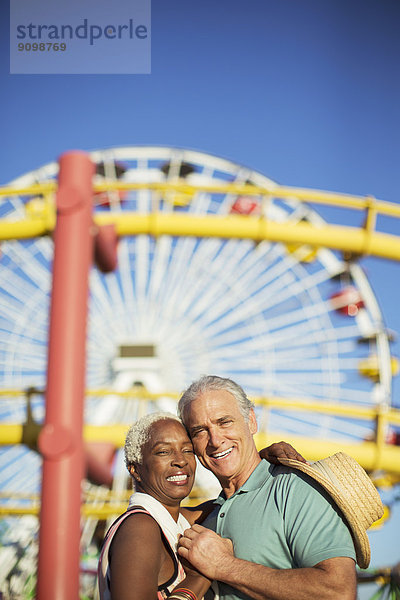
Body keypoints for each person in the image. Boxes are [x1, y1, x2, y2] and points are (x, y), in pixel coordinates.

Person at [177, 375, 384, 600]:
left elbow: (338, 592)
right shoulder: (209, 515)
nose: (215, 440)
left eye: (224, 421)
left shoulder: (296, 489)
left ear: (251, 421)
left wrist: (224, 565)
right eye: (199, 431)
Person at [97, 411, 304, 600]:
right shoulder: (140, 528)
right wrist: (200, 575)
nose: (180, 461)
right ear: (134, 468)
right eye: (163, 452)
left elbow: (227, 501)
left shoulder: (174, 521)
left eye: (187, 451)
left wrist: (258, 464)